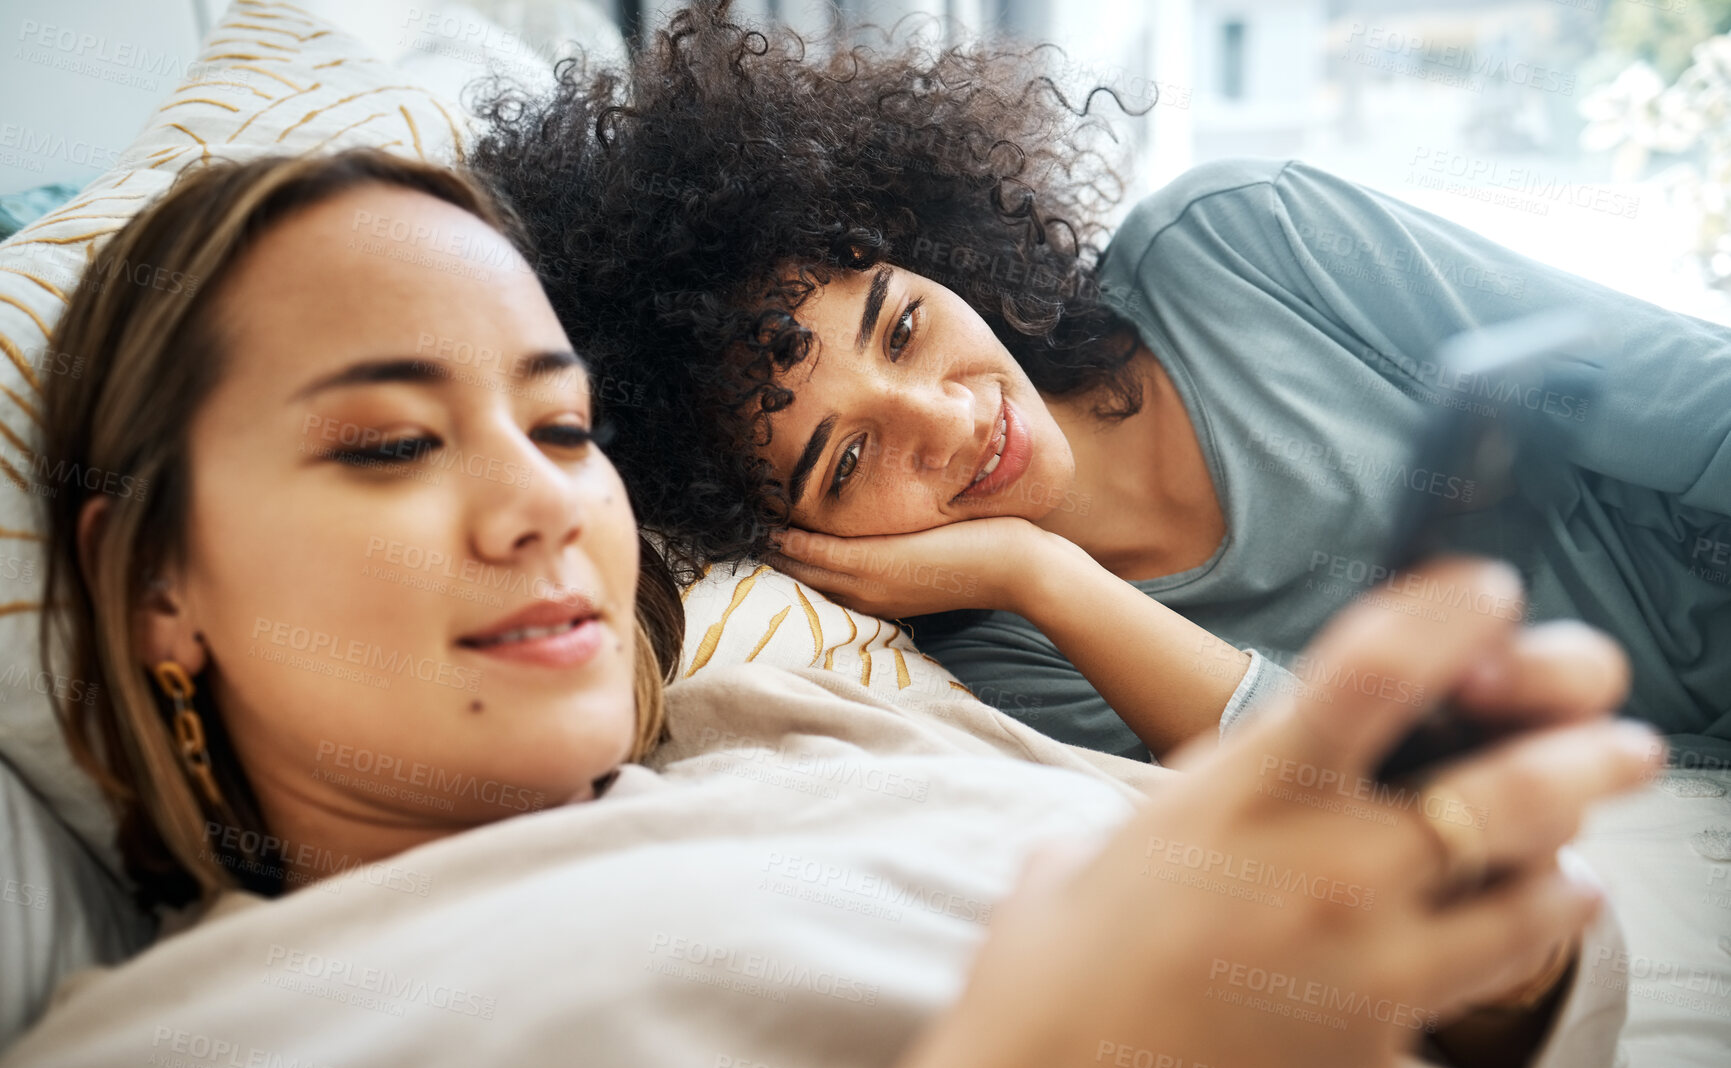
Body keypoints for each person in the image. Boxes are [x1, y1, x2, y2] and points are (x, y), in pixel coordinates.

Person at [0, 148, 1657, 1068]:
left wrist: (1473, 959)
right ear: (157, 586)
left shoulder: (788, 721)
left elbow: (1491, 1052)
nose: (536, 505)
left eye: (563, 426)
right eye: (383, 445)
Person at [473, 1, 1731, 764]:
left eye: (905, 327)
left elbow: (1692, 402)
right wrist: (1040, 573)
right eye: (846, 462)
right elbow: (1352, 781)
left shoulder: (1242, 242)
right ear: (789, 538)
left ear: (932, 253)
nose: (953, 420)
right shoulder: (1010, 656)